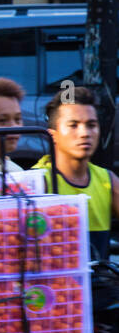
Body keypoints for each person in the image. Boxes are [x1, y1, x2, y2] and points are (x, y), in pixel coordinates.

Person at [33, 85, 119, 259]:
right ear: (53, 135)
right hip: (55, 284)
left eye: (91, 125)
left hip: (100, 283)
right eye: (73, 125)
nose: (84, 133)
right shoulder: (37, 182)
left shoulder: (108, 180)